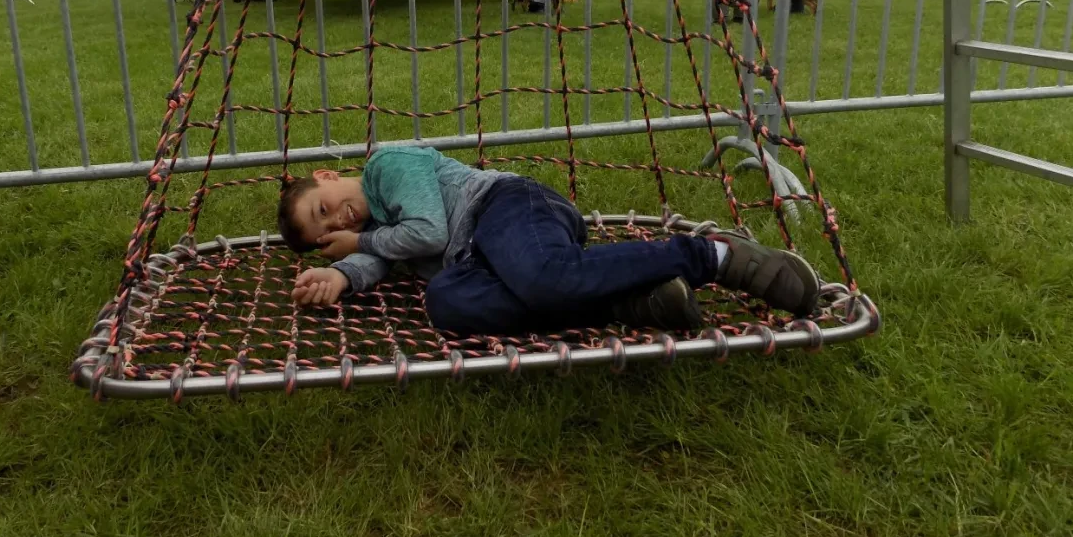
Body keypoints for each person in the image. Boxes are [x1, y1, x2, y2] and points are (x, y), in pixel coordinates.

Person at [276, 146, 821, 338]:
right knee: (444, 302)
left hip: (508, 209)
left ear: (326, 176)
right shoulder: (372, 234)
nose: (338, 221)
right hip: (481, 259)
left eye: (323, 209)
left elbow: (429, 232)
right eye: (327, 232)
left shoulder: (386, 167)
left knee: (541, 277)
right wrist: (340, 275)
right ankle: (629, 301)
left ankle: (714, 254)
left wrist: (359, 246)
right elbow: (378, 256)